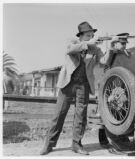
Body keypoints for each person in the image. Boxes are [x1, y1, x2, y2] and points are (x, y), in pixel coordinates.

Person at [40, 21, 121, 156]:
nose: (91, 37)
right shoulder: (73, 41)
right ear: (81, 35)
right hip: (68, 83)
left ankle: (76, 144)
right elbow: (71, 50)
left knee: (81, 116)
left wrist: (111, 47)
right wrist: (91, 42)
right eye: (88, 35)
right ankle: (49, 144)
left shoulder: (94, 48)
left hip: (83, 84)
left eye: (92, 35)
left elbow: (104, 61)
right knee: (59, 115)